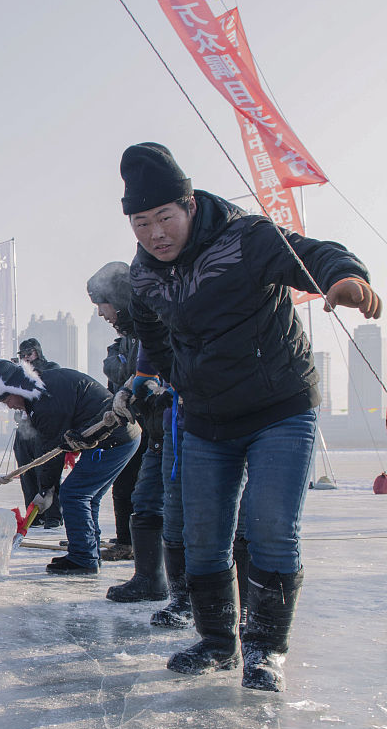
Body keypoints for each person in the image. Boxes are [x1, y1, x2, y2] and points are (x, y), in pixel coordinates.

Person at [121, 141, 381, 691]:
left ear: (189, 205)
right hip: (207, 418)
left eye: (164, 218)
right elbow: (151, 334)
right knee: (204, 535)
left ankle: (265, 651)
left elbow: (312, 253)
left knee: (269, 529)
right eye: (141, 223)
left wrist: (344, 279)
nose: (155, 234)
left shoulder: (246, 237)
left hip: (278, 410)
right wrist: (175, 381)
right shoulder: (142, 275)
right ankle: (217, 641)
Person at [0, 360, 140, 575]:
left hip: (112, 439)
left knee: (74, 494)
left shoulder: (45, 401)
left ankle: (83, 558)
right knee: (87, 497)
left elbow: (51, 451)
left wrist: (46, 490)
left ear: (15, 388)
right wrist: (46, 489)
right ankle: (88, 553)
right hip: (119, 436)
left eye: (5, 398)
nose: (8, 405)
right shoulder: (43, 389)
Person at [88, 261, 146, 563]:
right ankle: (129, 539)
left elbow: (131, 371)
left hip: (150, 425)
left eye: (102, 304)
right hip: (136, 422)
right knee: (127, 487)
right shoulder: (126, 336)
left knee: (140, 492)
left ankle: (134, 543)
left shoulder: (146, 330)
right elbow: (115, 365)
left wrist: (119, 367)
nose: (100, 313)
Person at [12, 338, 64, 528]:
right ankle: (33, 515)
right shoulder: (18, 372)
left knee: (47, 471)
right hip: (24, 428)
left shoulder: (51, 368)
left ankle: (53, 515)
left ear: (38, 352)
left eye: (30, 354)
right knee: (26, 473)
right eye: (23, 355)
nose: (27, 358)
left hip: (44, 429)